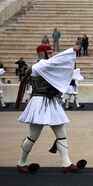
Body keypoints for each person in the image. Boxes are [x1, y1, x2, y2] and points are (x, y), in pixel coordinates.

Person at [14, 43, 86, 173]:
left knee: (61, 134)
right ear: (42, 54)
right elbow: (55, 63)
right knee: (32, 136)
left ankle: (67, 163)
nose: (53, 55)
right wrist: (71, 50)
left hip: (50, 102)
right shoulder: (38, 66)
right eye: (50, 52)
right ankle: (21, 162)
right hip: (39, 103)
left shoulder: (45, 67)